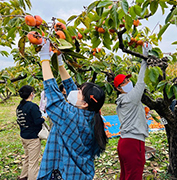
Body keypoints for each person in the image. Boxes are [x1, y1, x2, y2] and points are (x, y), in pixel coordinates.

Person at [37, 40, 108, 180]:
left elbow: (54, 96)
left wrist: (44, 58)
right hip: (82, 174)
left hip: (63, 174)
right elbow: (71, 89)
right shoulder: (93, 117)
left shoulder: (70, 116)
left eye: (80, 92)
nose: (76, 92)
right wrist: (60, 63)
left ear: (85, 103)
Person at [114, 42, 152, 180]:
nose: (128, 83)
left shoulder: (123, 101)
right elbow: (141, 82)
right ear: (118, 88)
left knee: (126, 176)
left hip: (125, 142)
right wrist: (145, 57)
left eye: (127, 80)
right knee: (134, 177)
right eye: (124, 82)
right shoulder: (131, 98)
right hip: (133, 144)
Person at [16, 85, 45, 180]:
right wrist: (44, 117)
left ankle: (23, 176)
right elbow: (37, 121)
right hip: (33, 138)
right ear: (31, 94)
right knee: (33, 162)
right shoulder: (32, 106)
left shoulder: (19, 107)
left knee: (28, 158)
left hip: (24, 136)